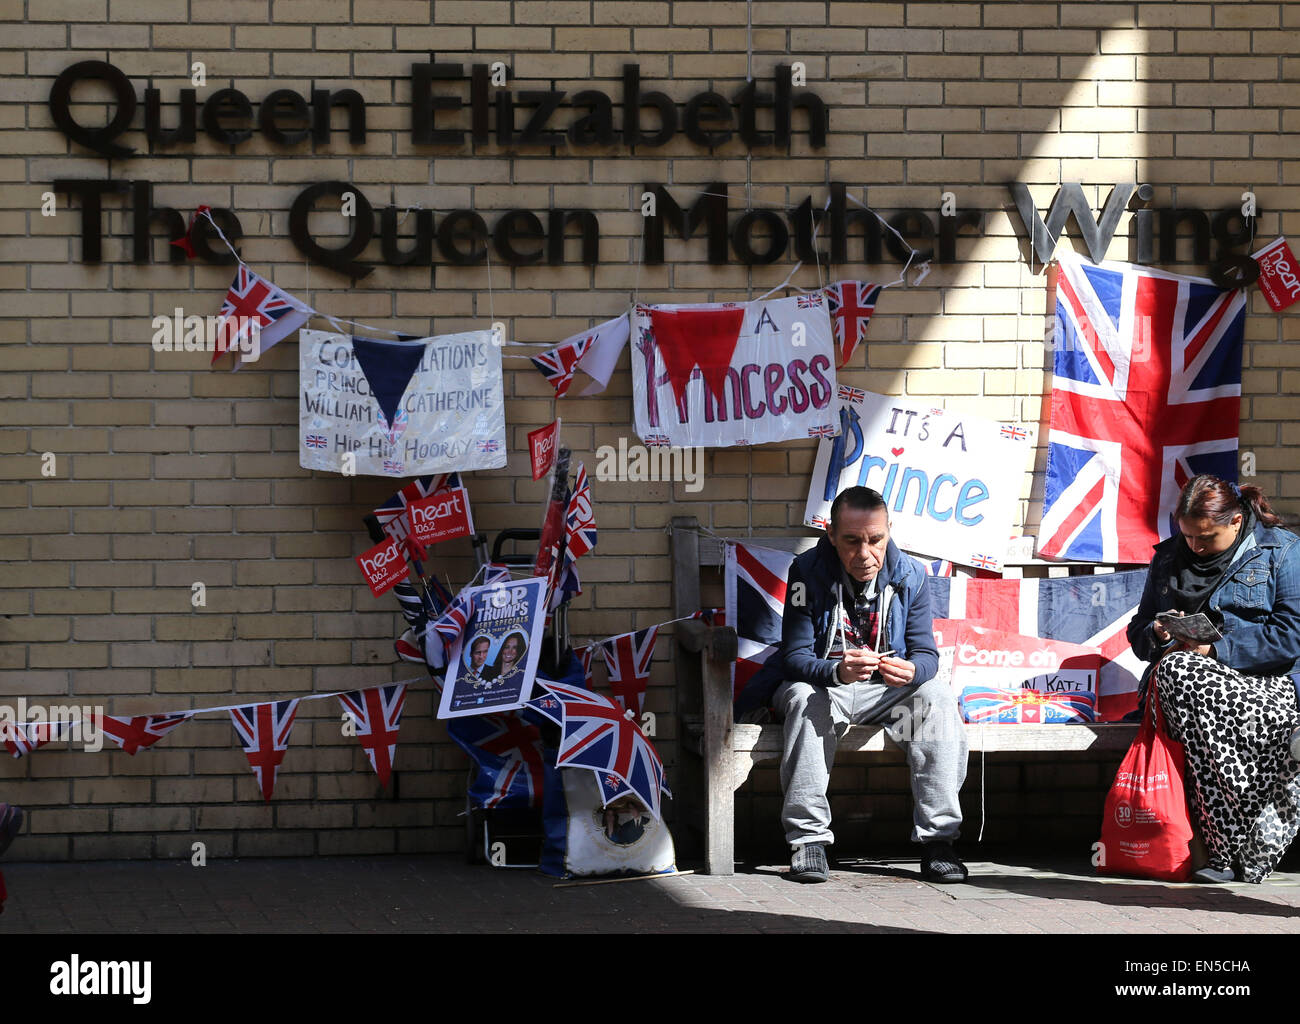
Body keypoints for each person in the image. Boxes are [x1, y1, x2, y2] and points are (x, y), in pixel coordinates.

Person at [775, 486, 969, 884]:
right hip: (829, 691)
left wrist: (914, 672)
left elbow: (926, 654)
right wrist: (835, 673)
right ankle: (808, 841)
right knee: (802, 698)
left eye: (875, 540)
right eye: (851, 541)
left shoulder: (911, 574)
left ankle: (938, 843)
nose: (865, 554)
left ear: (888, 531)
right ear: (831, 535)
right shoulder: (807, 571)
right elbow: (793, 658)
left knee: (936, 697)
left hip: (887, 699)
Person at [1126, 474, 1300, 883]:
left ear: (1236, 522)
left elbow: (1292, 636)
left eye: (1207, 537)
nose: (1195, 547)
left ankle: (1221, 849)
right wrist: (1158, 632)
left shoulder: (1282, 552)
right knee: (1175, 671)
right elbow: (1138, 631)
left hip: (1264, 684)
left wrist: (1217, 650)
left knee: (1181, 679)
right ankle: (1246, 830)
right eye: (1188, 536)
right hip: (1183, 688)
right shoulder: (1168, 557)